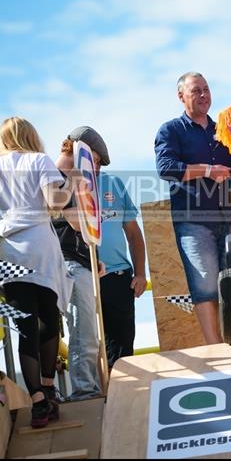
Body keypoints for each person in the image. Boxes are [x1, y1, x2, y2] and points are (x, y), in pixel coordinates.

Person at [0, 116, 74, 428]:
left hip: (10, 249)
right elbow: (53, 204)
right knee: (49, 319)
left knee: (26, 326)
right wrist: (72, 184)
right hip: (41, 246)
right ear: (30, 135)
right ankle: (49, 388)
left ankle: (37, 399)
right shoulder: (40, 160)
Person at [155, 72, 231, 344]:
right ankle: (215, 347)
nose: (204, 95)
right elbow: (166, 168)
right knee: (204, 283)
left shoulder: (223, 130)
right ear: (181, 97)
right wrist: (207, 170)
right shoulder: (169, 131)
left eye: (206, 89)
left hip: (227, 216)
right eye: (196, 91)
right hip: (192, 221)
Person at [53, 127, 109, 401]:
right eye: (95, 160)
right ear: (81, 152)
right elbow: (76, 222)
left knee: (87, 333)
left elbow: (83, 229)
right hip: (67, 262)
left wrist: (94, 258)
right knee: (83, 333)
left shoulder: (72, 179)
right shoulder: (58, 177)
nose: (95, 168)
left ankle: (86, 388)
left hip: (79, 260)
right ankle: (84, 390)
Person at [95, 140, 148, 368]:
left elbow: (134, 234)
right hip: (85, 280)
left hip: (118, 277)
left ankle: (120, 398)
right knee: (92, 347)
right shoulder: (64, 187)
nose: (95, 168)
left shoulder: (113, 183)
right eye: (90, 161)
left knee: (123, 349)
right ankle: (101, 398)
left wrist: (140, 273)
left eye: (99, 163)